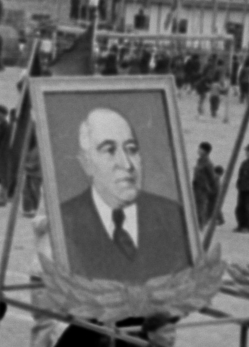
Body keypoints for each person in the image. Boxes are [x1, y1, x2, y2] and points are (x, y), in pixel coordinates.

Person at [57, 107, 191, 280]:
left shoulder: (173, 215)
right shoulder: (62, 221)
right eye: (109, 150)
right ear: (86, 163)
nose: (127, 164)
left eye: (132, 149)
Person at [191, 141, 220, 229]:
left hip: (202, 189)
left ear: (205, 151)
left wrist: (212, 189)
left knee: (200, 208)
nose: (198, 150)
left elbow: (212, 178)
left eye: (201, 149)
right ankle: (197, 225)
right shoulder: (200, 161)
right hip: (196, 187)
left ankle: (200, 226)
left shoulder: (208, 163)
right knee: (195, 207)